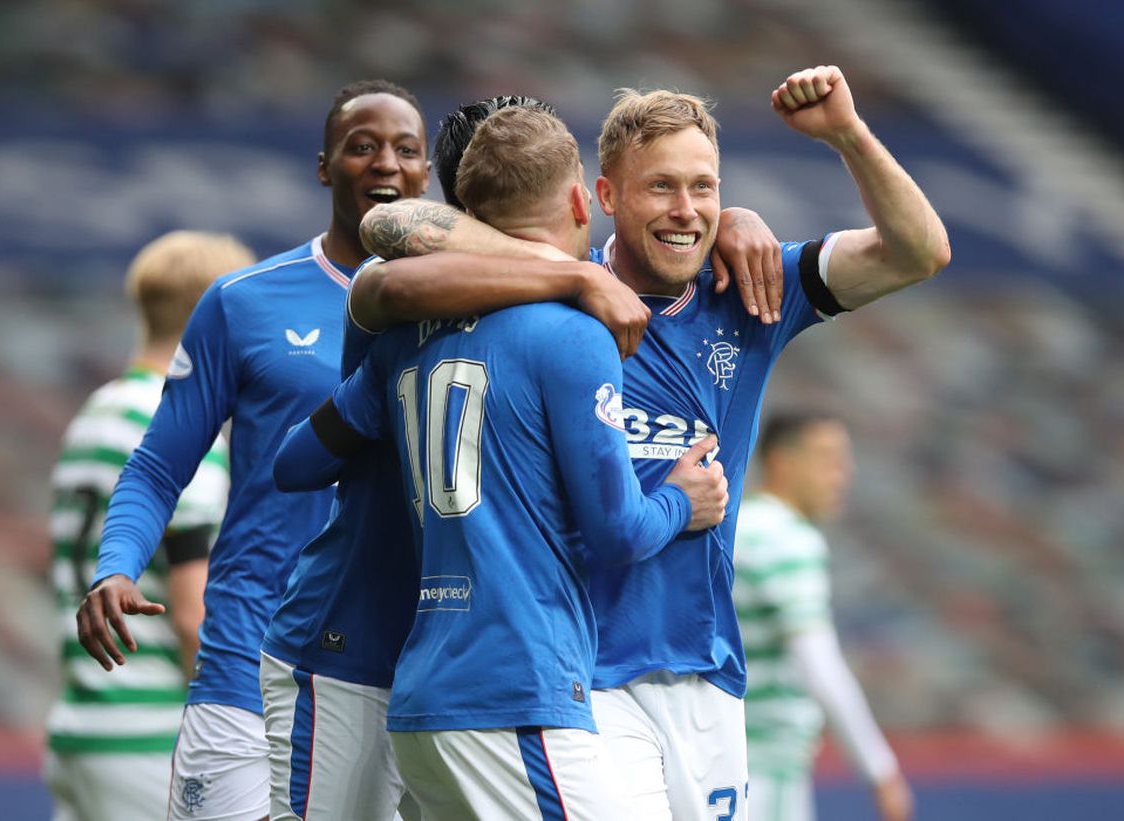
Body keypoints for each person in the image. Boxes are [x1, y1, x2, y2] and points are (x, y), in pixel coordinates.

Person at [358, 65, 950, 819]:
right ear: (603, 197)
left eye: (704, 187)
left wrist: (846, 134)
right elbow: (393, 230)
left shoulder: (753, 289)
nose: (687, 209)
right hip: (585, 674)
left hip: (706, 673)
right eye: (662, 187)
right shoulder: (550, 298)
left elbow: (919, 251)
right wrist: (566, 275)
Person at [291, 105, 731, 820]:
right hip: (516, 690)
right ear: (581, 199)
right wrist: (685, 500)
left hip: (421, 697)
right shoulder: (575, 331)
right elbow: (617, 532)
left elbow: (297, 461)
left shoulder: (405, 333)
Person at [74, 79, 431, 821]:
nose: (385, 164)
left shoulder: (461, 308)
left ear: (427, 175)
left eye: (406, 149)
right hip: (250, 654)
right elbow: (157, 465)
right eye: (361, 146)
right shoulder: (244, 301)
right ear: (325, 166)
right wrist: (117, 565)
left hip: (397, 668)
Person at [45, 231, 253, 821]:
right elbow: (193, 615)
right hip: (150, 736)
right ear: (218, 314)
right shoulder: (180, 433)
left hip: (81, 725)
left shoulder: (97, 411)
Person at [734, 411, 913, 821]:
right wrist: (879, 769)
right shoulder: (788, 540)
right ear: (782, 461)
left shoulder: (739, 525)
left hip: (724, 759)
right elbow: (820, 664)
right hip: (766, 762)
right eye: (827, 458)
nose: (842, 473)